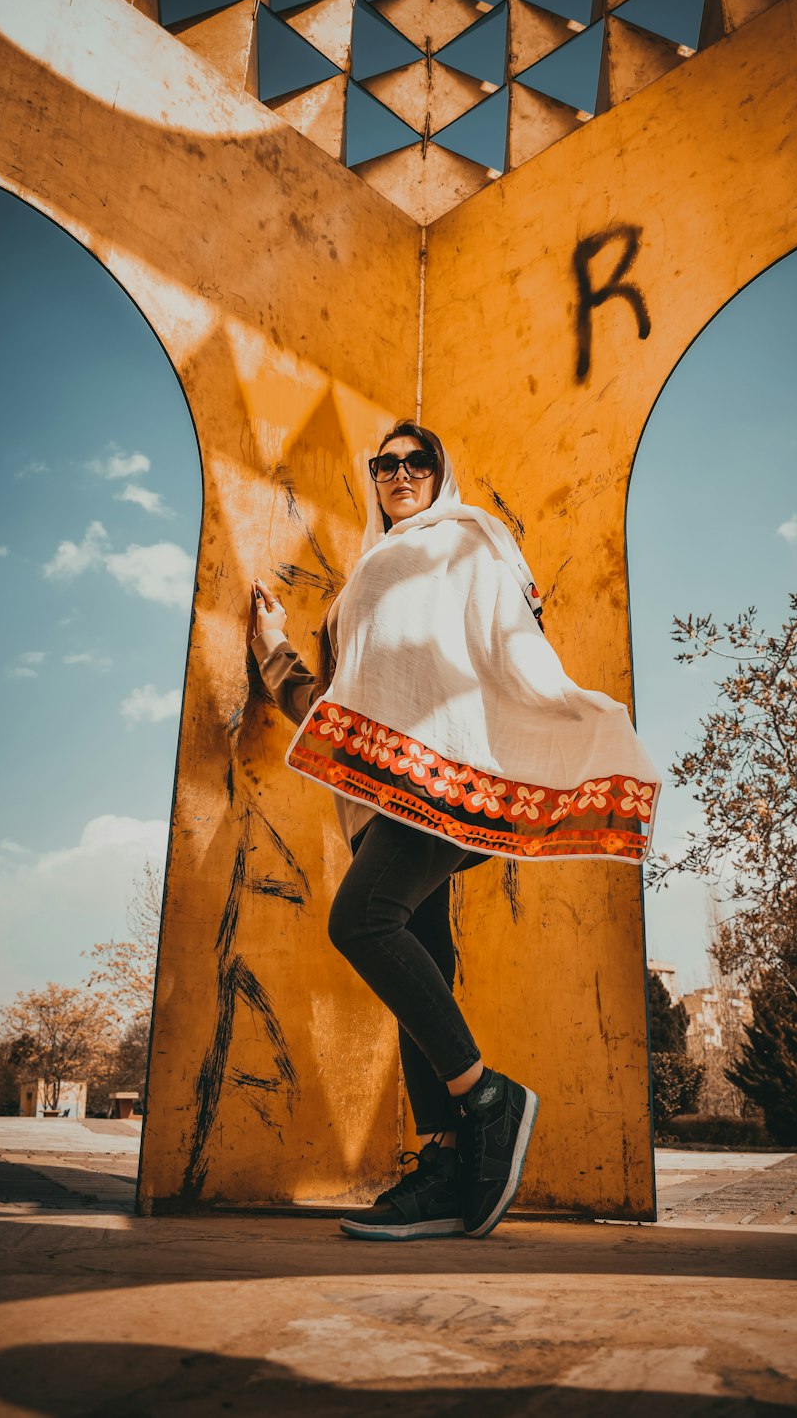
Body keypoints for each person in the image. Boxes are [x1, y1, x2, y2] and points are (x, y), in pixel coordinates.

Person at [248, 421, 660, 1242]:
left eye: (417, 461)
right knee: (422, 961)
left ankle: (486, 1100)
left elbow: (509, 648)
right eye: (385, 464)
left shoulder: (471, 539)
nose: (400, 473)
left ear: (442, 473)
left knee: (361, 921)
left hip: (450, 771)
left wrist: (544, 719)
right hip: (376, 795)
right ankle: (445, 1166)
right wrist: (274, 656)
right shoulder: (361, 577)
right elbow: (332, 706)